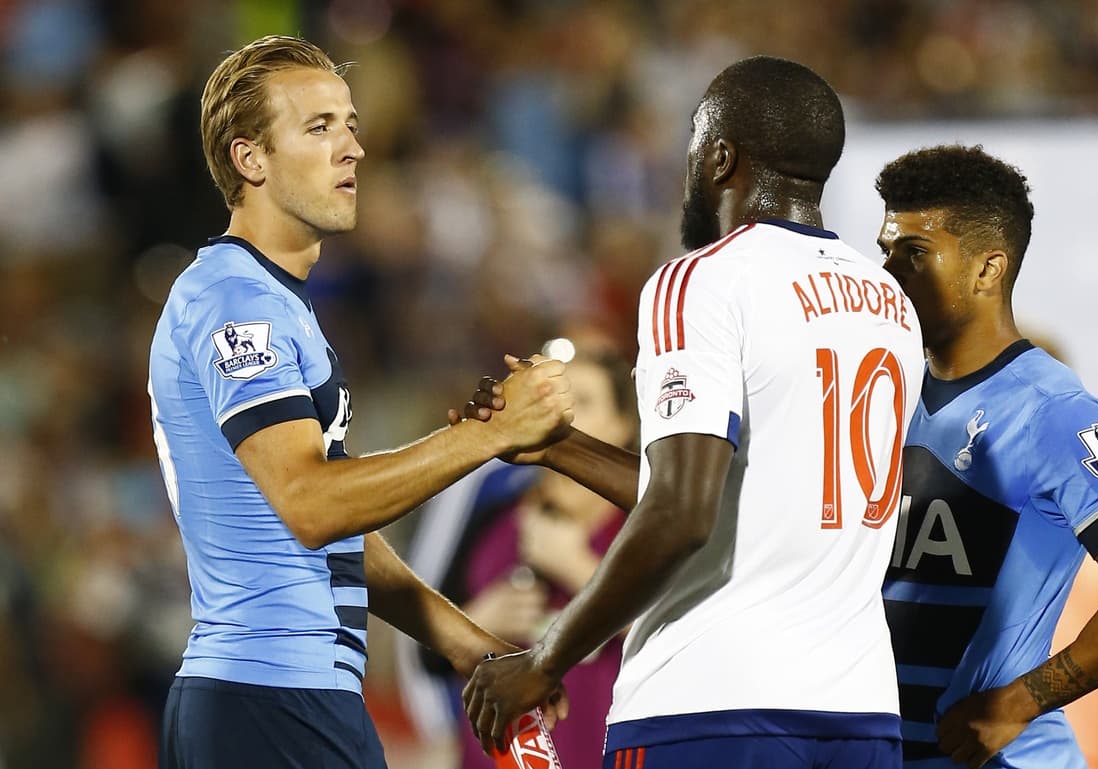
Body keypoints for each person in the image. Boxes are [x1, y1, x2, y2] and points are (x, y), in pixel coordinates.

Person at [460, 55, 925, 769]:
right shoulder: (889, 304)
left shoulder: (699, 280)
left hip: (712, 705)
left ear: (719, 156)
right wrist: (559, 444)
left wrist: (547, 657)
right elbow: (746, 499)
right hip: (858, 711)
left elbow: (681, 511)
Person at [146, 35, 573, 769]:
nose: (352, 149)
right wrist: (489, 435)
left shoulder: (274, 299)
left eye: (349, 123)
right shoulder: (234, 300)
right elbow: (313, 503)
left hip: (284, 698)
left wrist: (467, 643)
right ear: (251, 160)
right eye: (317, 128)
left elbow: (332, 522)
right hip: (268, 699)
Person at [874, 144, 1098, 769]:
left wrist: (1018, 703)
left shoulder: (1051, 408)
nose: (889, 273)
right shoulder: (881, 397)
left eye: (914, 255)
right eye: (886, 251)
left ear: (988, 269)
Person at [454, 348, 636, 769]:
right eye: (555, 399)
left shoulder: (651, 527)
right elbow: (423, 656)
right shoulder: (494, 520)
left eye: (584, 402)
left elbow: (688, 636)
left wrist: (577, 568)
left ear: (624, 426)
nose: (564, 415)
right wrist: (476, 620)